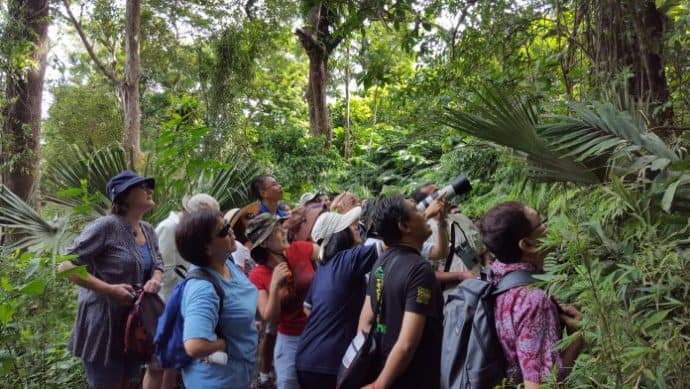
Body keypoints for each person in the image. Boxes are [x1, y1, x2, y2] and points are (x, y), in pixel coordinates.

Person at [57, 170, 164, 389]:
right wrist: (109, 289)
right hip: (103, 326)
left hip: (134, 326)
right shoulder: (106, 226)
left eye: (148, 186)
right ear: (124, 196)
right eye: (142, 187)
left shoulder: (148, 230)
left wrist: (155, 278)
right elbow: (65, 266)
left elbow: (158, 264)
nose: (149, 190)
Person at [478, 202, 583, 387]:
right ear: (526, 244)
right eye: (541, 222)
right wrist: (579, 337)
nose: (547, 226)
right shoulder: (532, 301)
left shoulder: (493, 276)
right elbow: (541, 385)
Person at [357, 195, 443, 389]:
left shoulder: (381, 262)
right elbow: (406, 345)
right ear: (404, 226)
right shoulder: (420, 270)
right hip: (413, 377)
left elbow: (366, 321)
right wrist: (379, 385)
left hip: (383, 366)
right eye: (416, 210)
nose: (424, 213)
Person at [295, 207, 379, 388]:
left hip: (308, 357)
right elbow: (389, 243)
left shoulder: (323, 269)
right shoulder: (348, 259)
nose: (356, 227)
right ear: (338, 235)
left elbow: (307, 307)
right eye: (349, 225)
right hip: (330, 362)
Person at [174, 208, 258, 388]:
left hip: (236, 375)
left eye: (227, 225)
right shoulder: (203, 288)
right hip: (216, 381)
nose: (230, 231)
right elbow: (194, 345)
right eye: (222, 231)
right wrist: (223, 343)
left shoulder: (227, 263)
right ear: (206, 247)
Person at [150, 193, 221, 389]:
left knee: (174, 361)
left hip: (181, 301)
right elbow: (163, 272)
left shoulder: (186, 230)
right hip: (165, 304)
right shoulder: (169, 227)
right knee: (158, 363)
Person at [247, 214, 318, 389]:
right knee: (288, 383)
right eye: (277, 231)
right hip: (290, 339)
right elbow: (269, 318)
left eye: (281, 228)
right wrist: (274, 285)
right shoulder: (258, 274)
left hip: (318, 331)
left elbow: (330, 255)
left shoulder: (300, 249)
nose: (283, 232)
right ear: (264, 243)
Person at [224, 208, 256, 275]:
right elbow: (240, 274)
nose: (252, 218)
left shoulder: (252, 241)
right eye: (247, 217)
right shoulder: (237, 247)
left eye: (251, 215)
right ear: (239, 223)